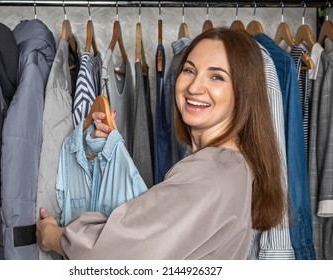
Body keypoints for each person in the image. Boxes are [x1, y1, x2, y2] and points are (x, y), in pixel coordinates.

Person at [36, 27, 285, 259]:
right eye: (189, 70)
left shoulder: (212, 173)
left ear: (244, 92)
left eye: (217, 77)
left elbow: (116, 253)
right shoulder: (233, 165)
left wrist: (52, 236)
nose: (195, 86)